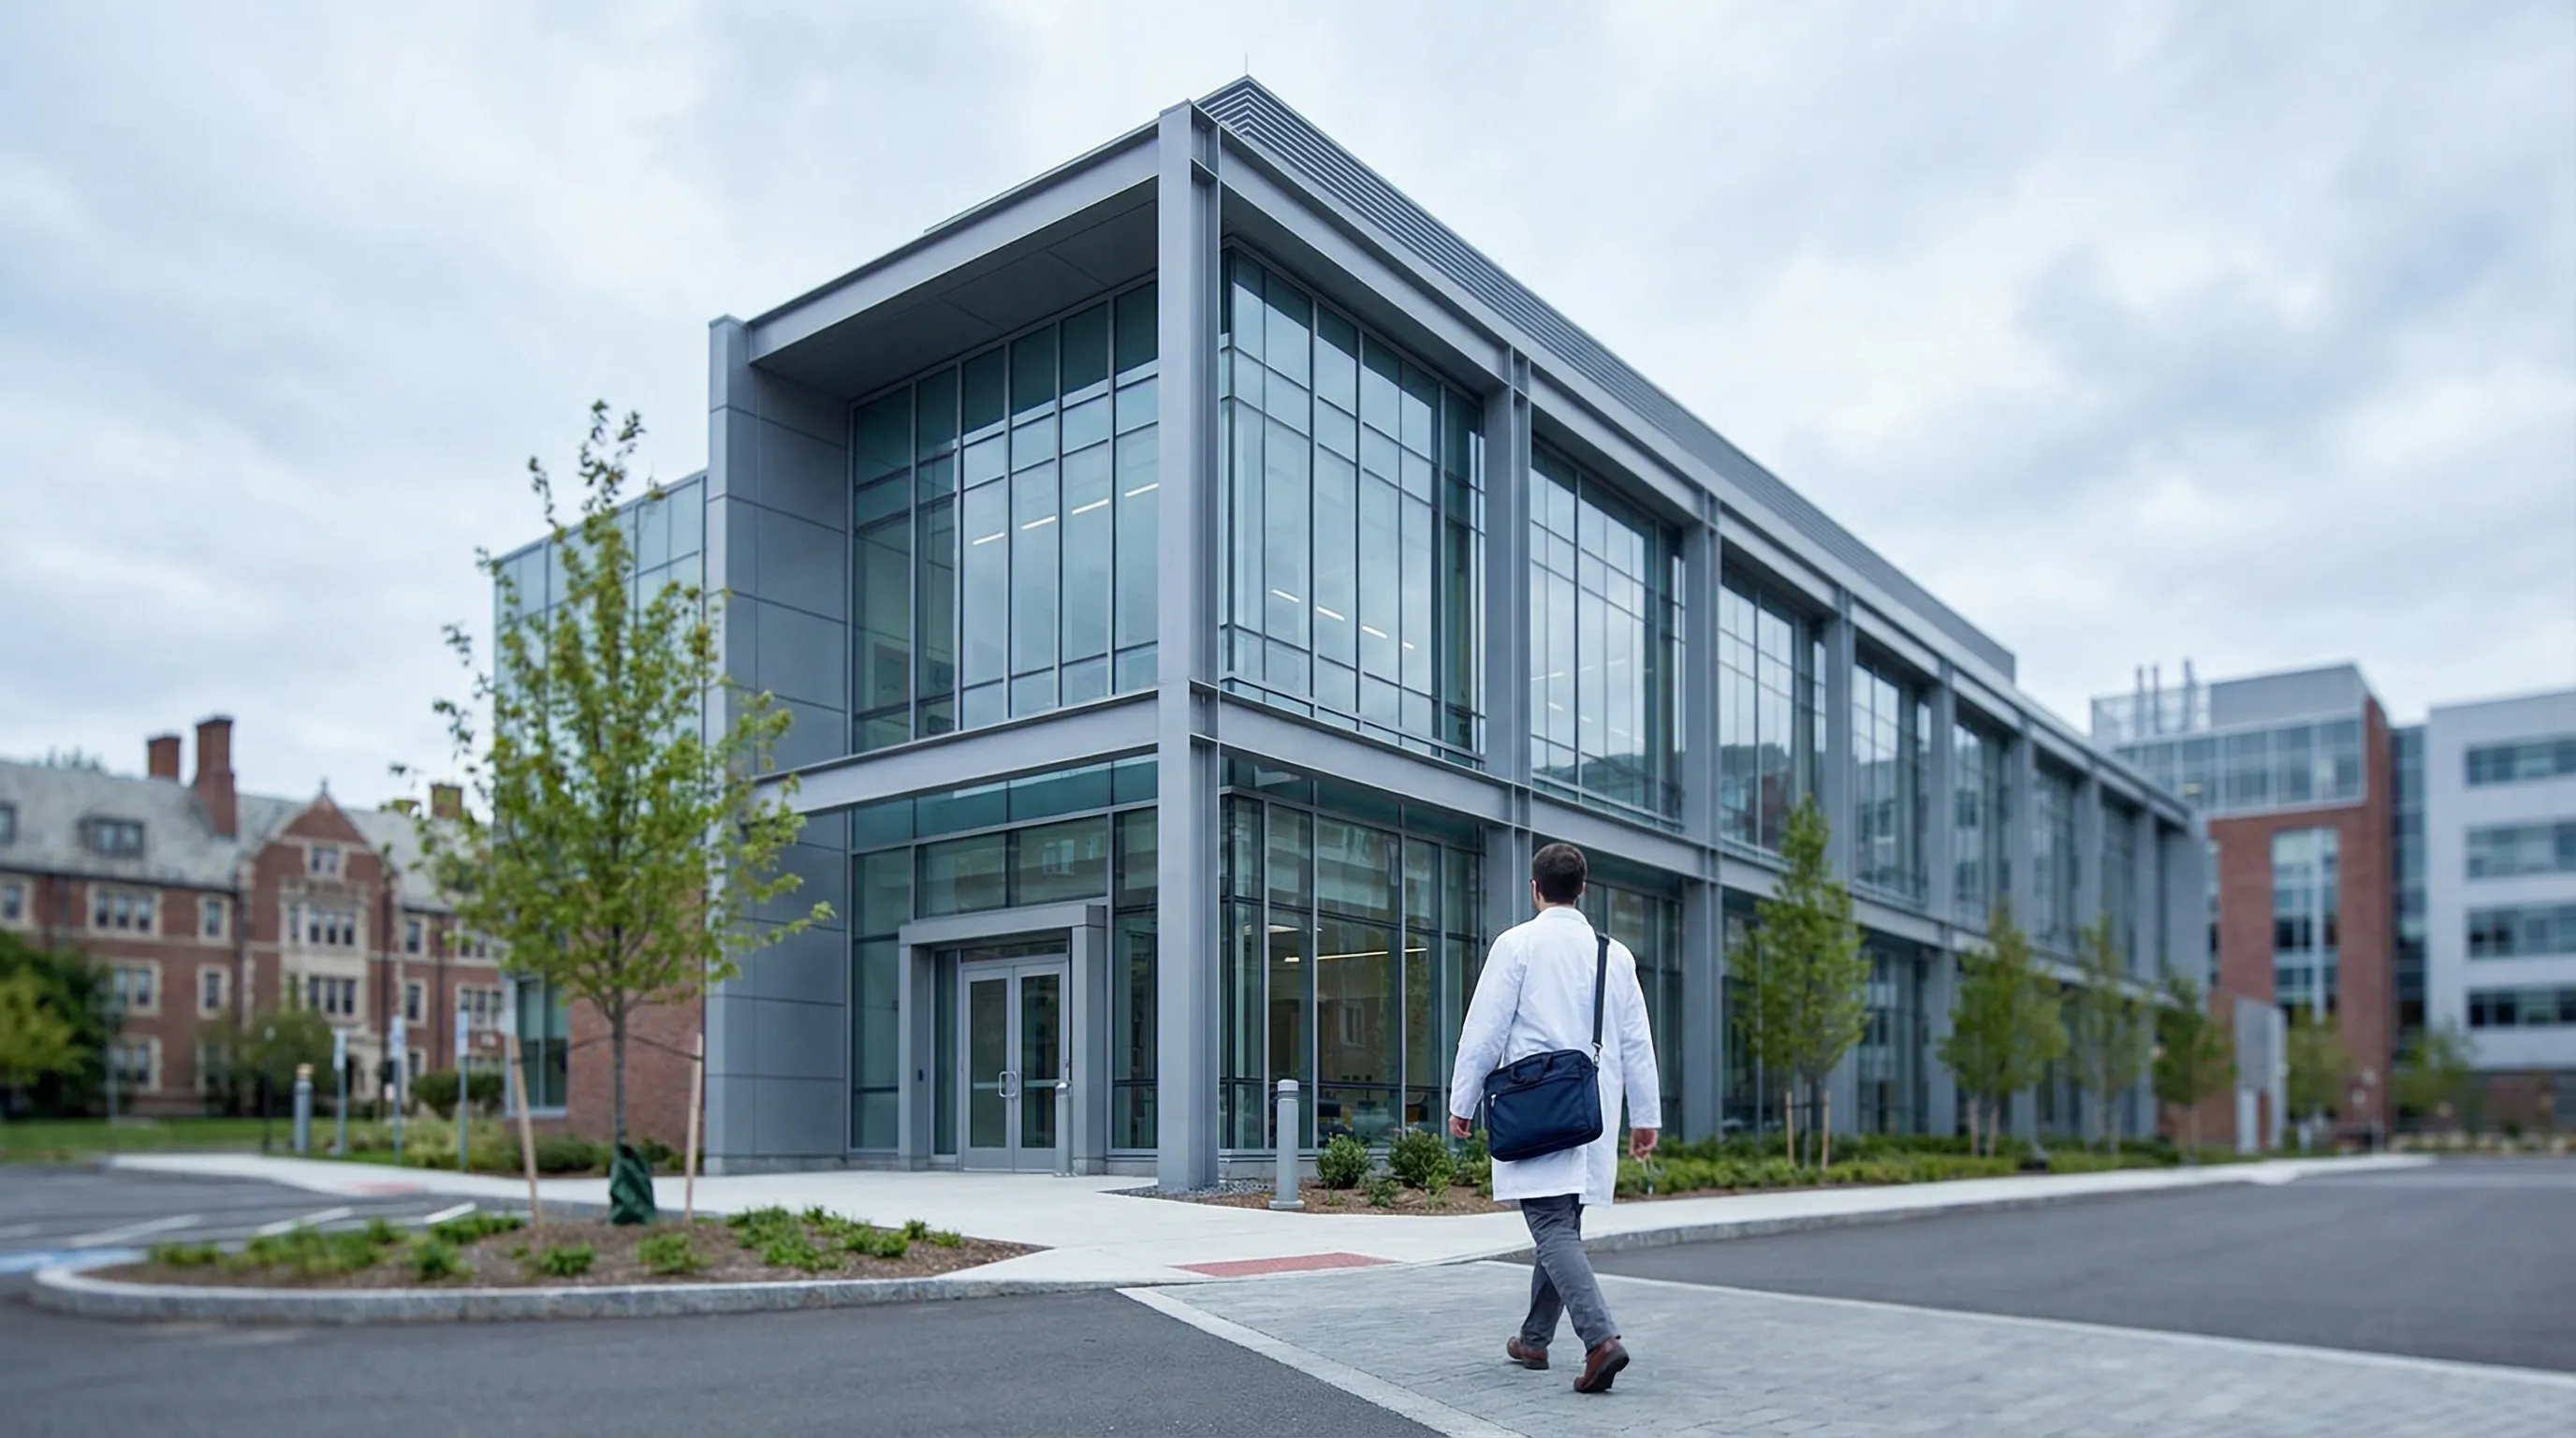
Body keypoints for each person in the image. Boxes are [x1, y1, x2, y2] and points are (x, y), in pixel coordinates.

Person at [1448, 842, 1662, 1395]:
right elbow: (1637, 1042)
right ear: (1583, 888)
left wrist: (1462, 1101)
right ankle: (1534, 1339)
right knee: (1562, 1225)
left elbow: (1485, 1028)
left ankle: (1600, 1341)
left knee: (1549, 1225)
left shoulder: (1516, 944)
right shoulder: (1613, 954)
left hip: (1534, 1107)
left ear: (1535, 889)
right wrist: (1645, 1118)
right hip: (1591, 1112)